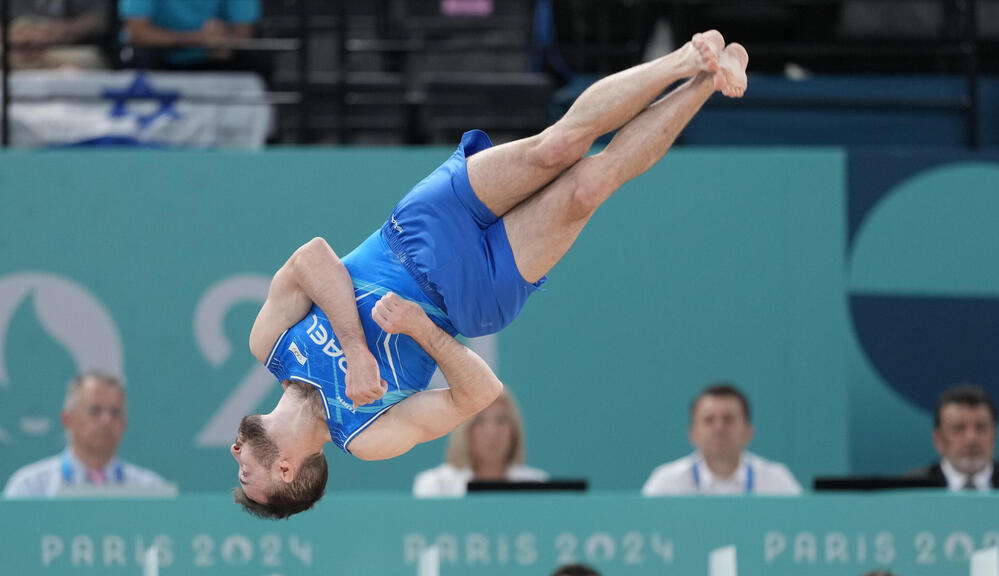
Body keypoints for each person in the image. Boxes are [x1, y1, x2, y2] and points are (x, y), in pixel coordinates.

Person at [232, 31, 750, 518]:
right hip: (472, 299)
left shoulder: (269, 344)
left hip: (416, 231)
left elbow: (312, 257)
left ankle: (688, 59)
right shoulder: (367, 437)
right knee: (590, 185)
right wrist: (420, 329)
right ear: (286, 470)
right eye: (245, 472)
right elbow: (479, 396)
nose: (236, 453)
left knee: (558, 146)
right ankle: (708, 82)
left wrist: (356, 349)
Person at [3, 371, 171, 498]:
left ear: (124, 425)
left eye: (115, 413)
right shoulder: (30, 489)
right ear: (68, 419)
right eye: (95, 410)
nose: (106, 420)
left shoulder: (152, 491)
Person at [642, 383, 801, 496]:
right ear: (692, 434)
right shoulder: (666, 483)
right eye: (709, 420)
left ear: (748, 432)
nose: (719, 429)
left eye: (729, 419)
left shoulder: (777, 482)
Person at [413, 388, 547, 497]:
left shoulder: (537, 487)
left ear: (514, 430)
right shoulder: (435, 486)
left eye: (501, 421)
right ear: (464, 430)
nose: (491, 432)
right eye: (479, 422)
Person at [906, 385, 999, 491]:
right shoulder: (912, 489)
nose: (971, 438)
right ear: (938, 439)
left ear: (994, 434)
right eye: (959, 428)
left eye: (981, 427)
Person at [119, 0, 260, 70]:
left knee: (251, 58)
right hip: (155, 58)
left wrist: (224, 40)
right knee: (138, 55)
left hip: (213, 60)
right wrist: (199, 39)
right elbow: (137, 34)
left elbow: (243, 34)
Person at [3, 0, 109, 69]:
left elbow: (100, 18)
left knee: (88, 60)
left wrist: (56, 31)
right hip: (10, 49)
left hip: (61, 49)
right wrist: (12, 34)